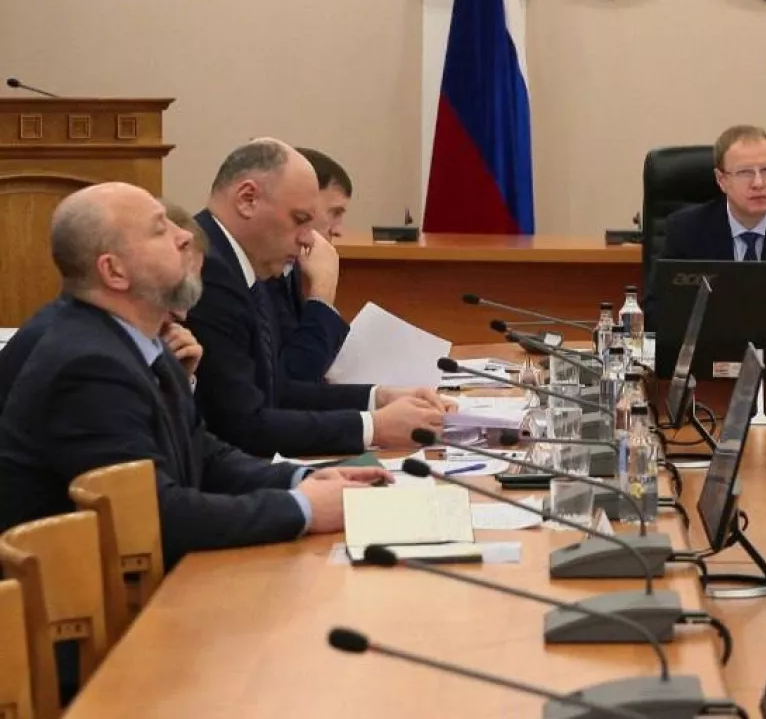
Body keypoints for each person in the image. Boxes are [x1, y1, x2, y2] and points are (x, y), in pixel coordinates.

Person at [0, 183, 388, 563]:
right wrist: (301, 508)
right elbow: (154, 515)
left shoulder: (140, 341)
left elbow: (204, 454)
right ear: (114, 271)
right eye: (159, 229)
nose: (185, 235)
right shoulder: (87, 365)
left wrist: (301, 479)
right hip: (83, 595)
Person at [185, 139, 449, 457]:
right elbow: (242, 426)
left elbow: (275, 391)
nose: (308, 239)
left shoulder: (242, 262)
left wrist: (377, 399)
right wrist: (374, 427)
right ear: (247, 199)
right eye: (299, 220)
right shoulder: (209, 270)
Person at [659, 125, 766, 265]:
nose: (758, 183)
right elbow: (660, 297)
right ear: (722, 180)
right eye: (745, 172)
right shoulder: (685, 230)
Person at [266, 147, 354, 383]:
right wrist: (323, 291)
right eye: (334, 212)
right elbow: (295, 378)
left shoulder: (292, 268)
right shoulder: (263, 270)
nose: (339, 230)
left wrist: (377, 396)